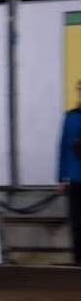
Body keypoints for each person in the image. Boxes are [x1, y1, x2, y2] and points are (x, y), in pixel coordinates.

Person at [58, 79, 81, 265]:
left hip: (74, 175)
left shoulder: (71, 117)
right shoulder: (70, 117)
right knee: (76, 221)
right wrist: (60, 178)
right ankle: (78, 257)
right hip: (75, 177)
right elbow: (63, 147)